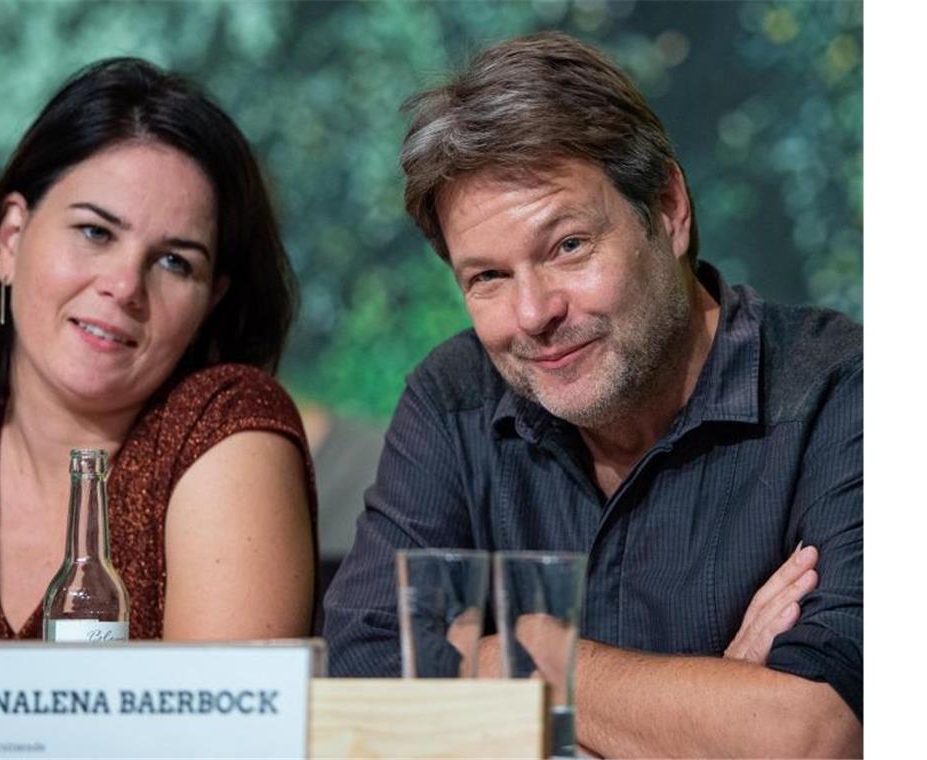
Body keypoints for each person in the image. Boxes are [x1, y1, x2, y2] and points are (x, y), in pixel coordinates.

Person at [323, 31, 861, 758]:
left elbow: (809, 739)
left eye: (568, 246)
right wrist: (704, 707)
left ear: (667, 208)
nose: (533, 313)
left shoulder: (846, 391)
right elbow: (364, 700)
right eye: (487, 277)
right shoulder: (455, 398)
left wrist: (512, 652)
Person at [0, 58, 316, 677]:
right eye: (96, 232)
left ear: (213, 301)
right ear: (10, 239)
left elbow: (218, 737)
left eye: (175, 263)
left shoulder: (226, 428)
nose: (125, 285)